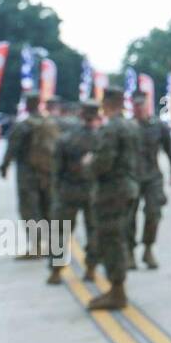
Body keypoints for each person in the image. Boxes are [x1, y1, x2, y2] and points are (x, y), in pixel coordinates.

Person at [86, 85, 139, 310]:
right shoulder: (132, 126)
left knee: (111, 240)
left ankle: (117, 291)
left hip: (111, 191)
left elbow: (103, 163)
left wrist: (89, 163)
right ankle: (117, 288)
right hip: (128, 187)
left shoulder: (111, 129)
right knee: (119, 236)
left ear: (106, 103)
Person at [48, 101, 102, 285]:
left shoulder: (66, 138)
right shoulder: (102, 138)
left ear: (80, 114)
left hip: (68, 190)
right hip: (94, 190)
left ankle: (56, 271)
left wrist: (56, 189)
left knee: (60, 230)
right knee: (93, 230)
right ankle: (91, 269)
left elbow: (56, 169)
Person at [0, 93, 59, 257]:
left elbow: (12, 147)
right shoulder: (50, 123)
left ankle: (36, 247)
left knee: (30, 210)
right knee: (47, 208)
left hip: (28, 173)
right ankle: (52, 246)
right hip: (48, 172)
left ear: (26, 105)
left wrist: (4, 166)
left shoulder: (23, 125)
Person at [130, 90, 171, 270]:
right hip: (131, 177)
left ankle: (148, 249)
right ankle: (129, 251)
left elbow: (170, 149)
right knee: (128, 215)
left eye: (141, 105)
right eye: (135, 106)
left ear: (146, 106)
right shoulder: (127, 127)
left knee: (153, 213)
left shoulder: (158, 126)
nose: (138, 109)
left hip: (152, 176)